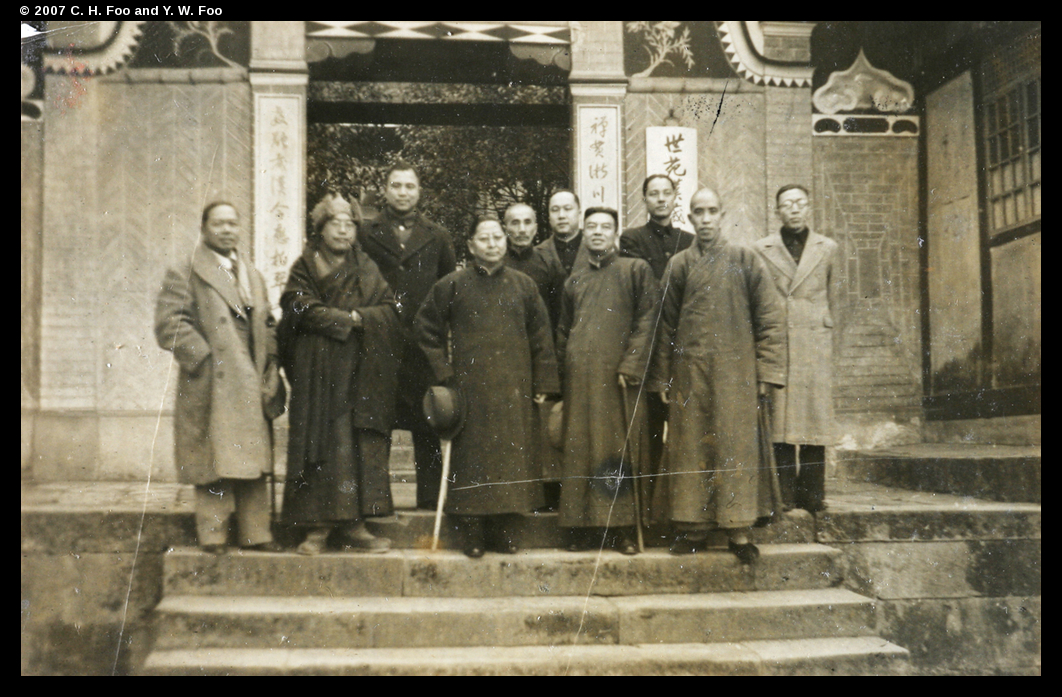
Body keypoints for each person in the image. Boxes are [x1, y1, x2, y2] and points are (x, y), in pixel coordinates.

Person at [648, 188, 787, 565]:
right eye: (698, 212)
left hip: (736, 374)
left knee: (734, 447)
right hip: (690, 373)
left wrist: (767, 372)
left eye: (712, 211)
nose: (706, 219)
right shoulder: (679, 264)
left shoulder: (746, 260)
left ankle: (738, 530)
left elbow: (770, 320)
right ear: (689, 219)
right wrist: (662, 378)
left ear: (722, 215)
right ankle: (692, 529)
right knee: (691, 447)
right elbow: (665, 326)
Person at [415, 215, 559, 558]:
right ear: (471, 246)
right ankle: (473, 534)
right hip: (469, 388)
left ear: (506, 241)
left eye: (498, 237)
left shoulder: (524, 285)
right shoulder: (452, 285)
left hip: (515, 387)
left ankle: (505, 530)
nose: (492, 244)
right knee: (473, 461)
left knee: (511, 459)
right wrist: (444, 372)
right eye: (485, 238)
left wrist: (544, 382)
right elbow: (426, 328)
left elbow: (541, 337)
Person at [155, 201, 286, 554]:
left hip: (252, 377)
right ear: (204, 228)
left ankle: (256, 533)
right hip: (213, 381)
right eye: (218, 224)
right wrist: (205, 357)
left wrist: (271, 359)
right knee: (213, 461)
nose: (227, 230)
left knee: (252, 460)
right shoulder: (186, 271)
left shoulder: (252, 275)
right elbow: (170, 324)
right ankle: (213, 535)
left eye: (232, 223)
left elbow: (268, 322)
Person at [277, 193, 400, 555]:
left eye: (350, 224)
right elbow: (297, 305)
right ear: (321, 228)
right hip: (318, 372)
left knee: (355, 445)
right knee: (322, 443)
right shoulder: (306, 265)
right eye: (336, 223)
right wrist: (347, 320)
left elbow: (390, 308)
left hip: (360, 372)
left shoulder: (367, 266)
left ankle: (356, 525)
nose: (344, 230)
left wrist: (365, 319)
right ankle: (316, 529)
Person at [556, 207, 659, 555]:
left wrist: (631, 364)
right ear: (583, 233)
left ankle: (622, 529)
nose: (597, 232)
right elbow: (563, 329)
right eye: (591, 227)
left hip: (619, 378)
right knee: (581, 450)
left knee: (618, 452)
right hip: (581, 378)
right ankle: (581, 527)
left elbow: (648, 320)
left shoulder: (636, 270)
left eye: (605, 227)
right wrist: (563, 370)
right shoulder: (575, 278)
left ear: (615, 233)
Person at [358, 163, 456, 510]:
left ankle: (430, 500)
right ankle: (375, 501)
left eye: (409, 186)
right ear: (384, 190)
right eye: (396, 185)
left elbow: (448, 291)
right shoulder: (365, 233)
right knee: (377, 421)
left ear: (419, 192)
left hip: (422, 345)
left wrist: (441, 343)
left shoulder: (438, 235)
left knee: (427, 421)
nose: (402, 192)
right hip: (379, 343)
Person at [753, 184, 841, 514]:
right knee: (781, 420)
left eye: (800, 203)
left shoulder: (827, 247)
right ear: (776, 211)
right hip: (780, 339)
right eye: (787, 204)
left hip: (814, 340)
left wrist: (829, 330)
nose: (793, 209)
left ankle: (813, 495)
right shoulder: (761, 249)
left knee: (815, 419)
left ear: (808, 209)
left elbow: (837, 296)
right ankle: (784, 495)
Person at [619, 174, 696, 497]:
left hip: (684, 343)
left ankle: (679, 499)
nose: (661, 199)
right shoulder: (632, 239)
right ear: (644, 199)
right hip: (649, 343)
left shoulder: (690, 241)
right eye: (654, 194)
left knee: (685, 424)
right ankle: (649, 500)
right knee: (649, 427)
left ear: (676, 197)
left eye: (667, 193)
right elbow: (641, 288)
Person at [503, 202, 567, 510]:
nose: (521, 229)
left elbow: (558, 316)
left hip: (540, 354)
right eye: (514, 223)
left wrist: (551, 362)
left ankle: (545, 493)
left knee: (542, 428)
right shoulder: (495, 259)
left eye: (527, 222)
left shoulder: (547, 264)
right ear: (505, 227)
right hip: (504, 356)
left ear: (536, 227)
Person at [536, 190, 587, 278]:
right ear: (549, 216)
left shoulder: (597, 248)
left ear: (579, 214)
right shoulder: (538, 254)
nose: (561, 215)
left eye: (567, 209)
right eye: (555, 210)